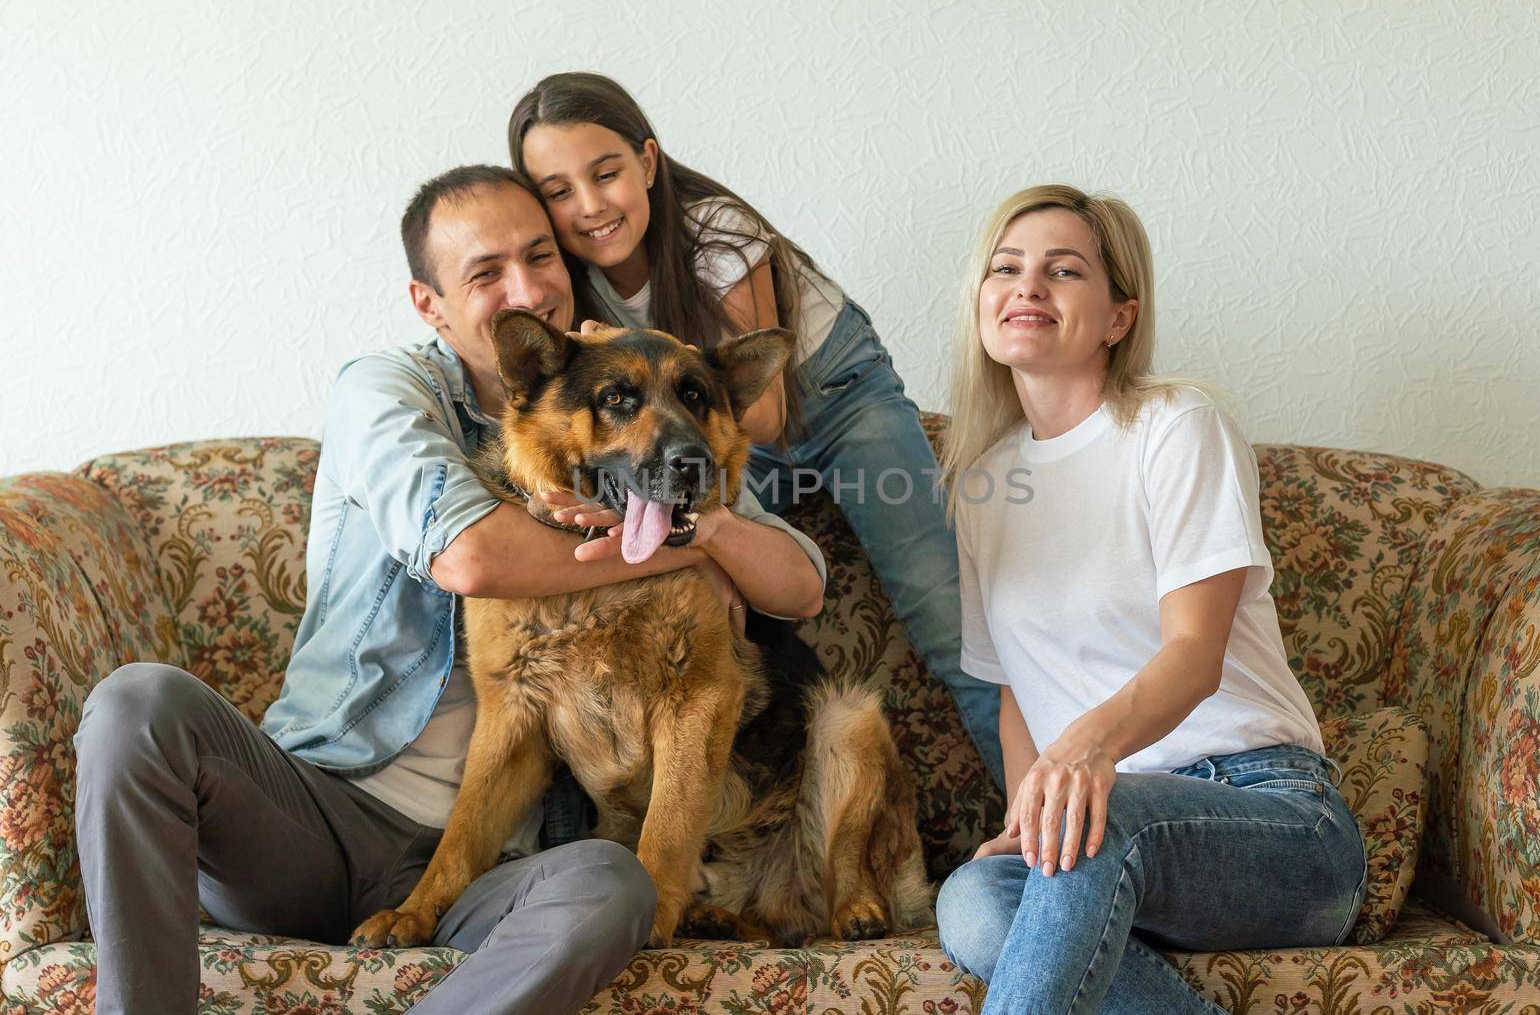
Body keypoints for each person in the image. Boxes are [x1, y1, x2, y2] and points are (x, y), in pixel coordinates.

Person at [73, 165, 826, 1015]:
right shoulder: (385, 391)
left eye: (542, 257)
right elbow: (471, 556)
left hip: (496, 862)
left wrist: (706, 525)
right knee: (137, 703)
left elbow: (797, 579)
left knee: (618, 885)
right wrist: (682, 546)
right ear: (428, 302)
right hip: (318, 808)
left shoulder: (631, 391)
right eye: (486, 272)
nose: (528, 288)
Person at [932, 185, 1367, 1013]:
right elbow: (1016, 692)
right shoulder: (984, 484)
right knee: (976, 901)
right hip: (1106, 830)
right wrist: (1032, 814)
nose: (1027, 287)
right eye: (1006, 267)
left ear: (1118, 317)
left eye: (1063, 271)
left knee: (1098, 826)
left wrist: (1089, 753)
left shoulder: (1176, 427)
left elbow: (1194, 655)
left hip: (1272, 817)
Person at [505, 72, 1003, 785]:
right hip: (704, 434)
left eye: (606, 173)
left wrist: (621, 342)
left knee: (945, 612)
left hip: (833, 397)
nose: (588, 206)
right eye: (557, 191)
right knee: (710, 551)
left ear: (647, 162)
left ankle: (1038, 826)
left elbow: (763, 417)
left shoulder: (717, 232)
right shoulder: (570, 284)